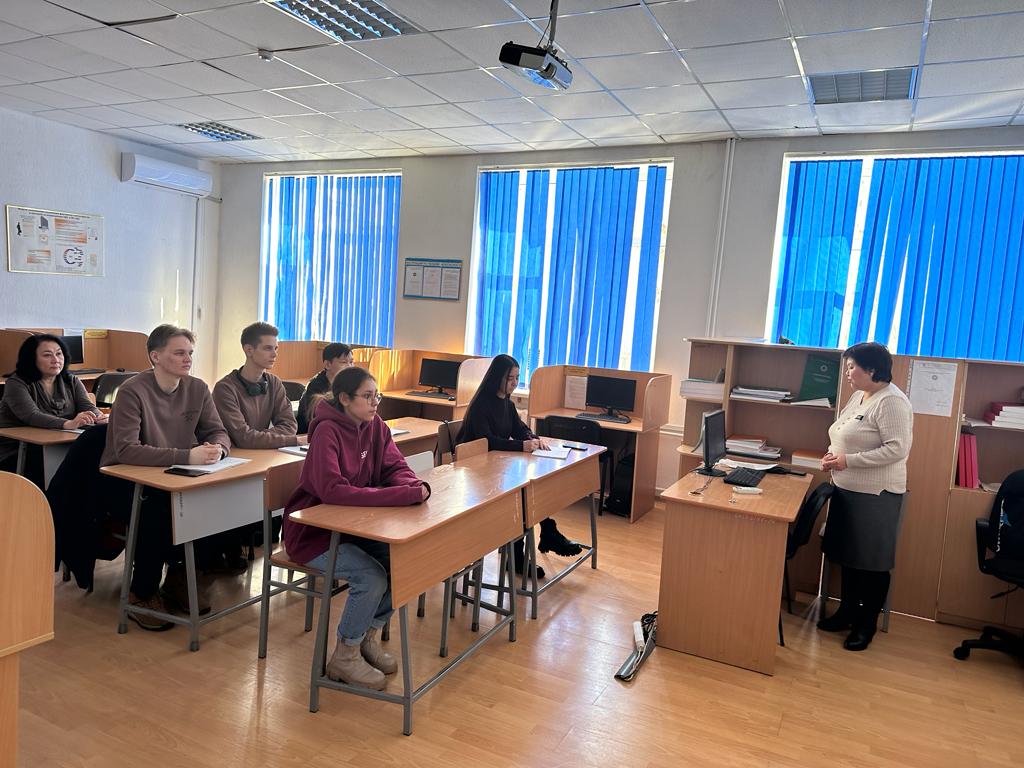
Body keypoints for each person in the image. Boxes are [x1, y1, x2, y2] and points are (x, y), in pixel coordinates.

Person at [283, 366, 428, 691]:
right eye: (367, 396)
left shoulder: (375, 425)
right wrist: (400, 495)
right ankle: (344, 656)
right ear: (345, 399)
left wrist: (412, 485)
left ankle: (366, 638)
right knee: (371, 577)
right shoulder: (327, 432)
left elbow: (395, 465)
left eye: (377, 396)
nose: (375, 402)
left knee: (404, 564)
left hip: (355, 528)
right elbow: (333, 491)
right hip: (312, 535)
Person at [100, 324, 231, 631]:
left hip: (174, 475)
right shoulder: (132, 391)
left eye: (190, 353)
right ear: (155, 356)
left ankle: (178, 577)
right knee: (158, 509)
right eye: (179, 353)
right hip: (126, 480)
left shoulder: (197, 388)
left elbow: (217, 430)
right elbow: (126, 450)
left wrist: (219, 449)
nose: (188, 359)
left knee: (218, 503)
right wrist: (186, 456)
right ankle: (142, 592)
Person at [817, 342, 913, 652]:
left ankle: (866, 624)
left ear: (871, 369)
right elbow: (841, 433)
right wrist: (832, 456)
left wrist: (848, 461)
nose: (847, 373)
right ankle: (846, 613)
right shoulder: (860, 395)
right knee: (849, 557)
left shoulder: (891, 402)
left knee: (871, 563)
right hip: (846, 490)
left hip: (875, 494)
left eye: (851, 367)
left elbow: (897, 449)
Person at [456, 354, 582, 579]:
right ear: (497, 378)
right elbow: (488, 441)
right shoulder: (480, 406)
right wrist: (521, 446)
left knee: (531, 488)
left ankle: (545, 533)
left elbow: (519, 428)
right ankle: (520, 554)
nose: (515, 383)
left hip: (495, 468)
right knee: (521, 494)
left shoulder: (507, 404)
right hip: (475, 475)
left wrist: (532, 438)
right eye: (510, 378)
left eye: (517, 378)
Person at [0, 333, 105, 473]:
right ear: (31, 359)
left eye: (59, 354)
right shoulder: (16, 383)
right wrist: (67, 424)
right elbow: (31, 415)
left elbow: (87, 406)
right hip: (19, 449)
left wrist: (98, 417)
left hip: (59, 443)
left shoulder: (71, 380)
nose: (56, 360)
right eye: (47, 355)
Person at [213, 322, 302, 449]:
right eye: (268, 348)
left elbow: (289, 426)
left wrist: (258, 438)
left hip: (263, 453)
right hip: (236, 455)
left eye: (275, 348)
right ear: (249, 350)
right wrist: (290, 440)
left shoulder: (274, 383)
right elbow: (243, 438)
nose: (274, 354)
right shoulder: (225, 389)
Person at [297, 343, 354, 434]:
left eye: (351, 362)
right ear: (328, 364)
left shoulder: (350, 384)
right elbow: (319, 416)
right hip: (310, 434)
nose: (350, 366)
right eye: (344, 362)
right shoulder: (315, 386)